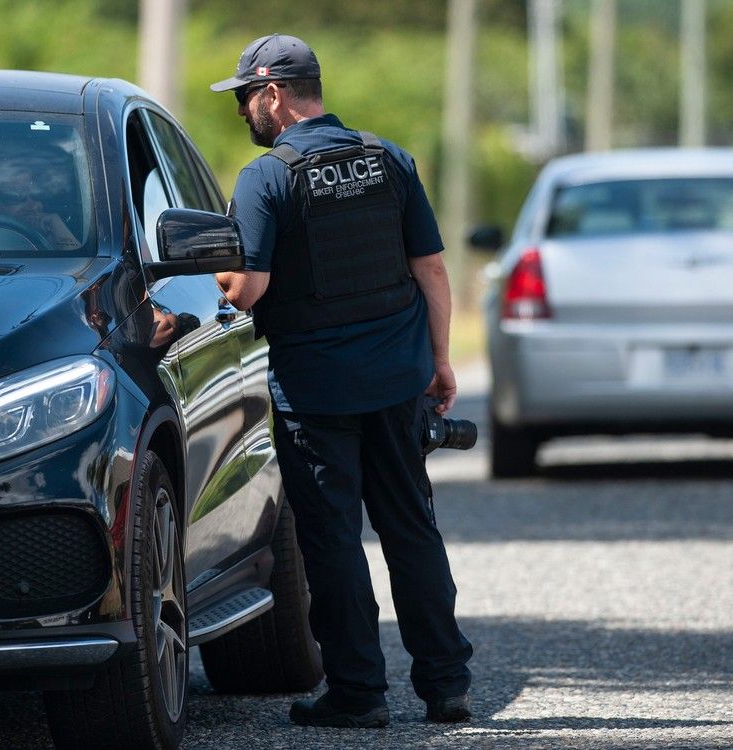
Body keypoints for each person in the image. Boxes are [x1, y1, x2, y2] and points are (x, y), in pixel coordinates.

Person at [210, 34, 473, 728]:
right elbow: (432, 270)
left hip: (318, 393)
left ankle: (358, 693)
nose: (242, 114)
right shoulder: (389, 159)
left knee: (332, 542)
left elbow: (248, 288)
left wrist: (215, 277)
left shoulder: (266, 178)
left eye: (244, 99)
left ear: (273, 94)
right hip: (398, 383)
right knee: (412, 531)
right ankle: (446, 684)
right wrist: (440, 361)